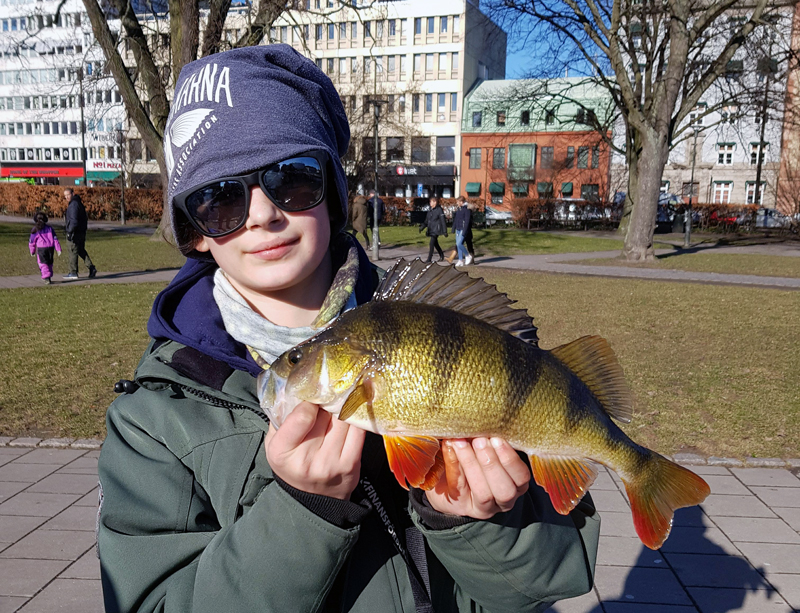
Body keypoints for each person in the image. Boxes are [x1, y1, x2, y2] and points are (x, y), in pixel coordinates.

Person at [96, 45, 599, 613]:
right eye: (219, 198)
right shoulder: (156, 416)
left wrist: (472, 519)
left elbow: (555, 576)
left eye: (292, 179)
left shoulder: (431, 316)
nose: (262, 213)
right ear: (193, 231)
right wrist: (304, 511)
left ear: (333, 193)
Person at [63, 188, 96, 280]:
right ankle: (91, 267)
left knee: (72, 250)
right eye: (65, 196)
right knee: (80, 250)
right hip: (81, 231)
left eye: (68, 195)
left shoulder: (73, 205)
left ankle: (73, 272)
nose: (66, 197)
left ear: (72, 194)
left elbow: (74, 220)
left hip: (75, 232)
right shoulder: (78, 203)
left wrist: (70, 232)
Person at [28, 211, 61, 284]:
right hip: (50, 248)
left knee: (43, 263)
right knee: (49, 262)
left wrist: (32, 251)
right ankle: (49, 275)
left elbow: (31, 242)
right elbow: (55, 239)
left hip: (41, 249)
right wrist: (58, 249)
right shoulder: (50, 228)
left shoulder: (35, 230)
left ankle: (46, 277)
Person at [419, 196, 448, 263]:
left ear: (435, 202)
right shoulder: (430, 210)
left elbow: (442, 220)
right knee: (435, 243)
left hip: (436, 229)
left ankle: (429, 259)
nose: (430, 203)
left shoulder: (439, 210)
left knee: (431, 243)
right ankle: (441, 255)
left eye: (431, 202)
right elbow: (427, 220)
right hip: (431, 229)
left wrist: (445, 231)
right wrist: (422, 227)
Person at [451, 196, 473, 267]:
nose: (457, 203)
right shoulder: (459, 209)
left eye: (458, 202)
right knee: (458, 245)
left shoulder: (466, 210)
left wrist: (464, 230)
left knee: (459, 243)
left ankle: (467, 255)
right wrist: (453, 228)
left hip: (463, 229)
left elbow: (467, 221)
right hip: (458, 228)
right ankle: (460, 260)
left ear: (461, 202)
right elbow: (456, 219)